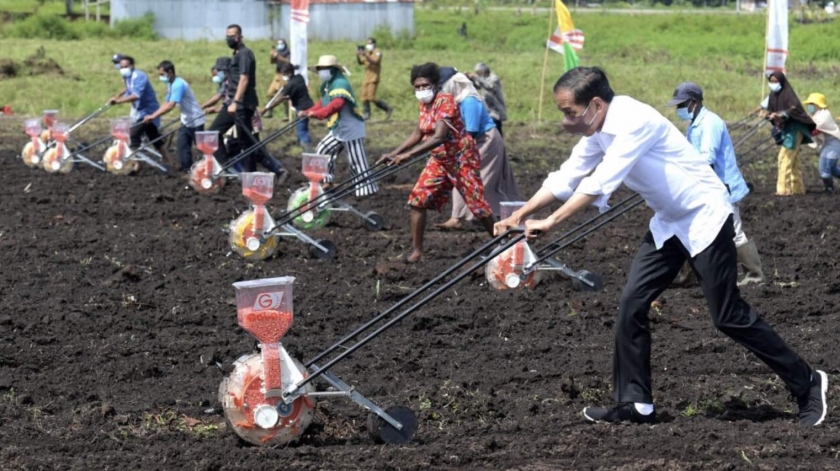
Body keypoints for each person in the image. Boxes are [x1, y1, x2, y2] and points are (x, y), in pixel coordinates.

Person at [495, 67, 827, 427]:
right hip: (669, 223)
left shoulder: (634, 119)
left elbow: (601, 181)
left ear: (594, 104)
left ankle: (807, 383)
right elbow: (568, 175)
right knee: (631, 304)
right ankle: (636, 403)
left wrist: (552, 221)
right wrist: (523, 213)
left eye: (569, 112)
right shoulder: (598, 129)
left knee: (727, 315)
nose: (566, 121)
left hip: (705, 216)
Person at [378, 63, 496, 263]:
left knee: (477, 205)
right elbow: (419, 132)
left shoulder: (445, 101)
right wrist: (394, 153)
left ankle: (501, 242)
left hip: (461, 158)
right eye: (417, 87)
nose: (421, 90)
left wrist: (408, 156)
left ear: (435, 85)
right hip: (440, 160)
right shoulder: (425, 104)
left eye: (425, 85)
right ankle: (417, 251)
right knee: (417, 200)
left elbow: (439, 136)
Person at [667, 82, 765, 286]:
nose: (679, 110)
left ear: (694, 102)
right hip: (706, 186)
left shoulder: (710, 123)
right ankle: (688, 276)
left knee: (735, 232)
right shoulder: (695, 124)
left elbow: (707, 156)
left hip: (724, 186)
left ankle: (755, 275)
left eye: (681, 105)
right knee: (692, 228)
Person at [437, 68, 521, 229]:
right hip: (473, 141)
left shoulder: (470, 100)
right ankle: (464, 216)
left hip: (485, 141)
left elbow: (471, 130)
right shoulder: (458, 100)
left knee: (478, 179)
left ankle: (468, 217)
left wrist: (456, 149)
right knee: (469, 178)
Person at [207, 24, 287, 180]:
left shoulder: (245, 54)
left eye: (232, 35)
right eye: (227, 36)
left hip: (242, 105)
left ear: (240, 37)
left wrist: (235, 102)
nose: (229, 39)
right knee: (214, 133)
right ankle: (228, 168)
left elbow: (244, 79)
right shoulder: (236, 55)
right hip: (232, 104)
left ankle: (254, 176)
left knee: (246, 143)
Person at [301, 55, 377, 197]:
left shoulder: (341, 83)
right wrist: (309, 112)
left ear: (333, 69)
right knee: (322, 150)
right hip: (338, 128)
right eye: (320, 69)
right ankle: (327, 182)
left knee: (356, 160)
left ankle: (367, 190)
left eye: (324, 69)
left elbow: (336, 105)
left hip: (351, 128)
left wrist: (317, 115)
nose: (321, 71)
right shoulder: (327, 84)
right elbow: (323, 103)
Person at [143, 60, 206, 172]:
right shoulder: (171, 84)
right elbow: (166, 102)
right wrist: (154, 115)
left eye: (162, 74)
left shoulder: (179, 84)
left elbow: (171, 105)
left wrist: (154, 116)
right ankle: (187, 170)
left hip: (196, 119)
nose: (161, 77)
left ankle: (209, 168)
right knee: (182, 146)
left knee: (202, 148)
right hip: (186, 120)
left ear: (170, 72)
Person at [108, 55, 172, 165]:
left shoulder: (139, 76)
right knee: (154, 137)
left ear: (132, 66)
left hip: (148, 111)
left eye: (126, 66)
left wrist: (119, 101)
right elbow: (128, 90)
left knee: (134, 135)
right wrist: (117, 97)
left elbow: (136, 95)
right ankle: (168, 161)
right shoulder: (128, 78)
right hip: (139, 110)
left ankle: (133, 164)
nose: (123, 69)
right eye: (122, 67)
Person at [764, 72, 816, 196]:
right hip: (787, 129)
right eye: (771, 81)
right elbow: (772, 110)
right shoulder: (773, 95)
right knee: (793, 160)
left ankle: (783, 190)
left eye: (776, 81)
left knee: (784, 158)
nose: (773, 84)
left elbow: (794, 109)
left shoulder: (788, 94)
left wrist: (781, 114)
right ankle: (798, 189)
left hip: (795, 128)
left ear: (781, 81)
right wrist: (768, 115)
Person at [262, 62, 314, 151]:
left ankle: (309, 151)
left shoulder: (290, 85)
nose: (283, 75)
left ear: (289, 72)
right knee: (300, 127)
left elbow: (280, 99)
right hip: (308, 104)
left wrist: (267, 108)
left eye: (284, 73)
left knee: (302, 130)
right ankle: (301, 147)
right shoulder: (299, 78)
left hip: (302, 108)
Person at [802, 92, 840, 193]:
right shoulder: (815, 114)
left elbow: (815, 130)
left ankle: (829, 189)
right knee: (833, 169)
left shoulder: (824, 116)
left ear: (818, 105)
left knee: (824, 168)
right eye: (809, 104)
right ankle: (829, 187)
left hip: (833, 145)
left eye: (812, 104)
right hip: (828, 144)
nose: (810, 106)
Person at [356, 38, 393, 121]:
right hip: (366, 78)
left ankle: (387, 108)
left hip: (374, 78)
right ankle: (366, 114)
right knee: (364, 97)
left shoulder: (377, 52)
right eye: (367, 43)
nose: (368, 45)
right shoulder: (367, 53)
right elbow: (360, 63)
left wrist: (365, 55)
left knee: (371, 97)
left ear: (374, 44)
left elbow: (375, 61)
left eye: (370, 43)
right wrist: (358, 55)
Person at [468, 63, 507, 136]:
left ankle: (499, 143)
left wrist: (476, 77)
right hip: (489, 108)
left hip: (496, 108)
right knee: (493, 128)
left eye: (479, 73)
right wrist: (471, 79)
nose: (478, 74)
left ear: (484, 71)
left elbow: (489, 86)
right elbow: (477, 86)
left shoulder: (494, 78)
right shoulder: (483, 78)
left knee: (496, 127)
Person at [266, 39, 291, 119]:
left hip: (285, 75)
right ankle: (270, 111)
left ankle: (286, 114)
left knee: (283, 95)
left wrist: (278, 57)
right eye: (278, 43)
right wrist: (272, 55)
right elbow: (272, 62)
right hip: (277, 75)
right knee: (270, 93)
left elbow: (288, 61)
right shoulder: (278, 52)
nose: (279, 45)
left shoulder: (288, 52)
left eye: (281, 43)